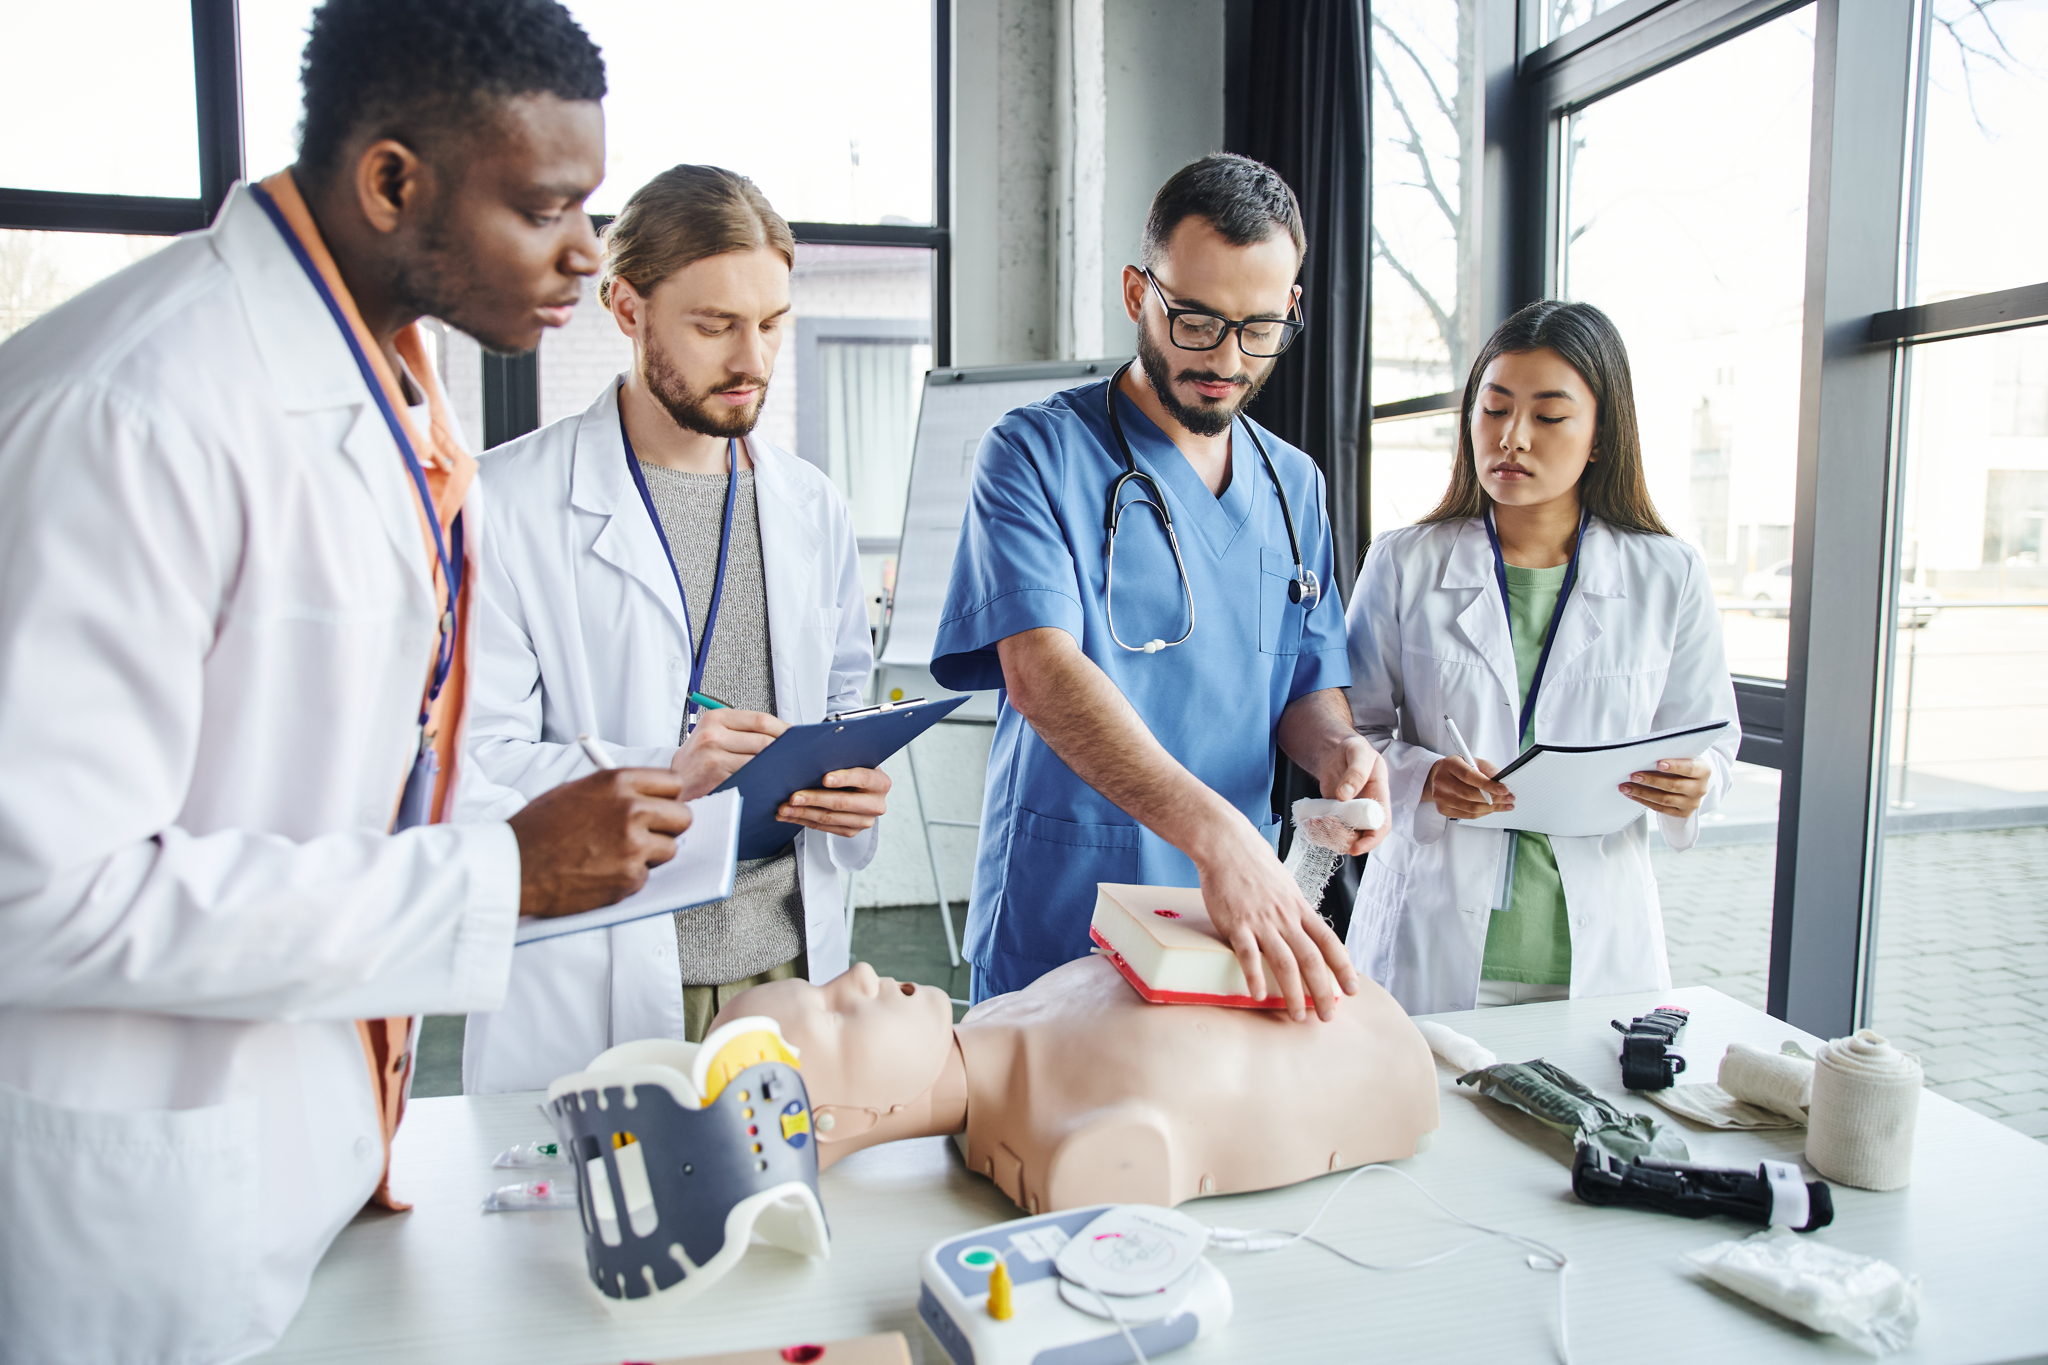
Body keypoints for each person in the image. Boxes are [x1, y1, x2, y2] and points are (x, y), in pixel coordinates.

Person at [0, 3, 697, 1359]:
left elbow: (335, 765)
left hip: (305, 1153)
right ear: (393, 181)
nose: (585, 256)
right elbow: (35, 889)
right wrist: (504, 874)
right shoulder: (134, 408)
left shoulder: (378, 381)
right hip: (131, 1204)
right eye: (548, 207)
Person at [457, 166, 888, 1093]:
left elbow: (844, 698)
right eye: (714, 325)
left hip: (788, 968)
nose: (753, 360)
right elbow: (471, 765)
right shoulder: (507, 504)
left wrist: (857, 782)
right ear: (626, 308)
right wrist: (667, 770)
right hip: (607, 966)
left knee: (792, 1229)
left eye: (772, 323)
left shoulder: (810, 505)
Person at [931, 154, 1388, 1020]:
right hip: (1072, 901)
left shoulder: (1295, 485)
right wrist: (1216, 834)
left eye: (1258, 329)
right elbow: (1041, 673)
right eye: (1196, 321)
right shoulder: (1034, 454)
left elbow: (1302, 682)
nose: (1226, 359)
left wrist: (1336, 754)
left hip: (1232, 917)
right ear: (1139, 291)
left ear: (1290, 308)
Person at [1345, 300, 1740, 1015]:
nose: (1512, 438)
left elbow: (1712, 743)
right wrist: (1425, 776)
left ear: (1599, 436)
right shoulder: (1404, 563)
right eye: (1493, 410)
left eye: (1549, 417)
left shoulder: (1668, 574)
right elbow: (1350, 733)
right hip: (1427, 936)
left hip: (1592, 953)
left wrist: (1699, 783)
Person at [715, 957, 1438, 1213]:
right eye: (836, 1015)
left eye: (825, 983)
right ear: (837, 1118)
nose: (859, 977)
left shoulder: (999, 1019)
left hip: (1376, 1033)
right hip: (1378, 1055)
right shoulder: (1077, 1147)